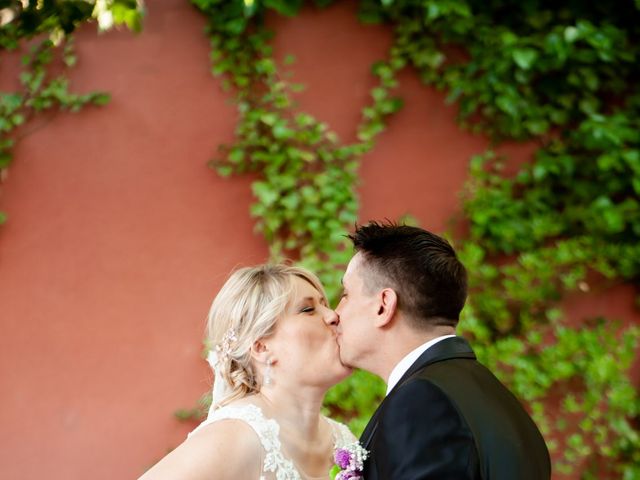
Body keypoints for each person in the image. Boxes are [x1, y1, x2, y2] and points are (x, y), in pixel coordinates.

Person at [335, 221, 551, 480]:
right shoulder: (497, 399)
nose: (336, 314)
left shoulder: (421, 402)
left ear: (383, 306)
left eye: (346, 294)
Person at [139, 264, 356, 480]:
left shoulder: (344, 442)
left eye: (325, 305)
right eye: (308, 310)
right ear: (261, 348)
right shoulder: (233, 437)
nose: (332, 315)